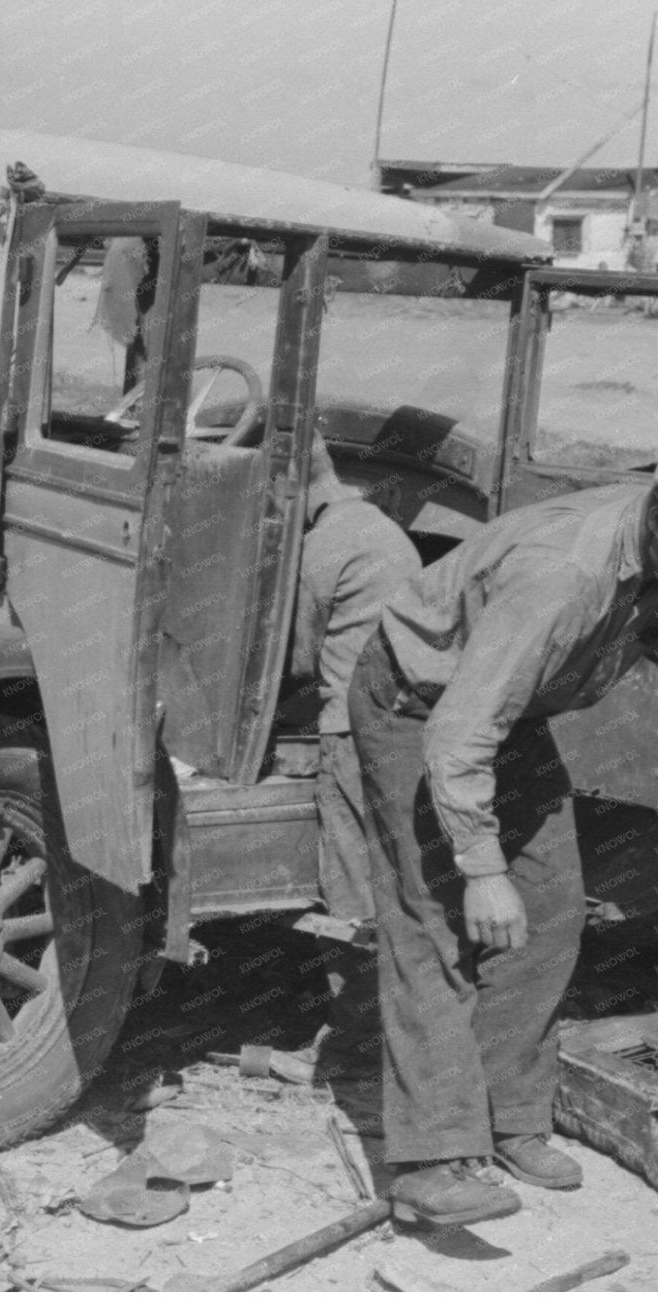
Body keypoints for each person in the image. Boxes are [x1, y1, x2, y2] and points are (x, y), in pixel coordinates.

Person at [348, 435, 658, 1227]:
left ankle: (507, 1114)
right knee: (435, 920)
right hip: (421, 704)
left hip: (509, 707)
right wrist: (481, 864)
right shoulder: (565, 575)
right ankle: (429, 1161)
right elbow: (461, 731)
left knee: (552, 906)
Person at [287, 432, 419, 1067]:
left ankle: (354, 1045)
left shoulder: (320, 547)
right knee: (396, 881)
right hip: (404, 725)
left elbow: (291, 661)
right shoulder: (380, 527)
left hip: (349, 731)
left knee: (349, 895)